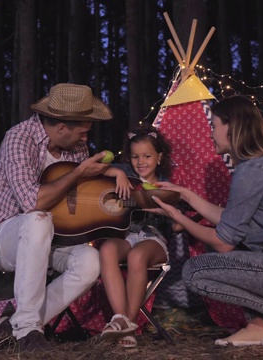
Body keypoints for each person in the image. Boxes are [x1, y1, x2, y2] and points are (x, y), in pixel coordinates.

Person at [146, 95, 263, 348]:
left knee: (194, 271)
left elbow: (223, 242)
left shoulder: (252, 171)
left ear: (232, 127)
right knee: (238, 244)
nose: (211, 133)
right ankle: (257, 327)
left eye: (214, 126)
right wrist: (184, 194)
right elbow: (230, 222)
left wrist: (177, 216)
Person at [0, 83, 114, 352]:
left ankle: (13, 325)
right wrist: (77, 173)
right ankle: (27, 330)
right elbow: (33, 203)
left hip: (54, 237)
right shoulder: (19, 138)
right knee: (38, 219)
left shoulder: (76, 150)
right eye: (83, 132)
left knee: (90, 261)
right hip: (8, 237)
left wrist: (112, 176)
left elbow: (77, 200)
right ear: (62, 128)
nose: (86, 139)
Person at [97, 125, 173, 348]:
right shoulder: (125, 173)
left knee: (137, 257)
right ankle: (121, 320)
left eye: (147, 156)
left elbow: (176, 225)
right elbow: (95, 167)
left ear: (159, 157)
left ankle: (128, 323)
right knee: (107, 249)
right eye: (135, 156)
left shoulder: (165, 184)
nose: (141, 162)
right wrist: (118, 173)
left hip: (153, 239)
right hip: (124, 235)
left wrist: (164, 209)